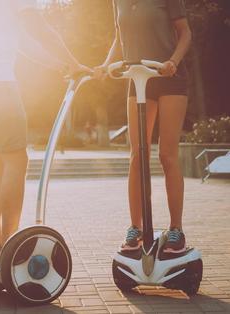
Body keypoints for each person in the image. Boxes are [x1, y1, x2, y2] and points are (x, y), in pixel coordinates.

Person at [0, 0, 90, 265]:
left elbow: (23, 43)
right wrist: (73, 62)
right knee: (17, 160)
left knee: (0, 160)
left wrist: (59, 65)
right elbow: (39, 28)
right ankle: (8, 245)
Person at [94, 0, 192, 253]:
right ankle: (135, 228)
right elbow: (120, 37)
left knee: (167, 155)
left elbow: (185, 32)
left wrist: (174, 61)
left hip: (168, 76)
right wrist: (106, 64)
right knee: (137, 155)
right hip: (137, 79)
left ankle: (176, 230)